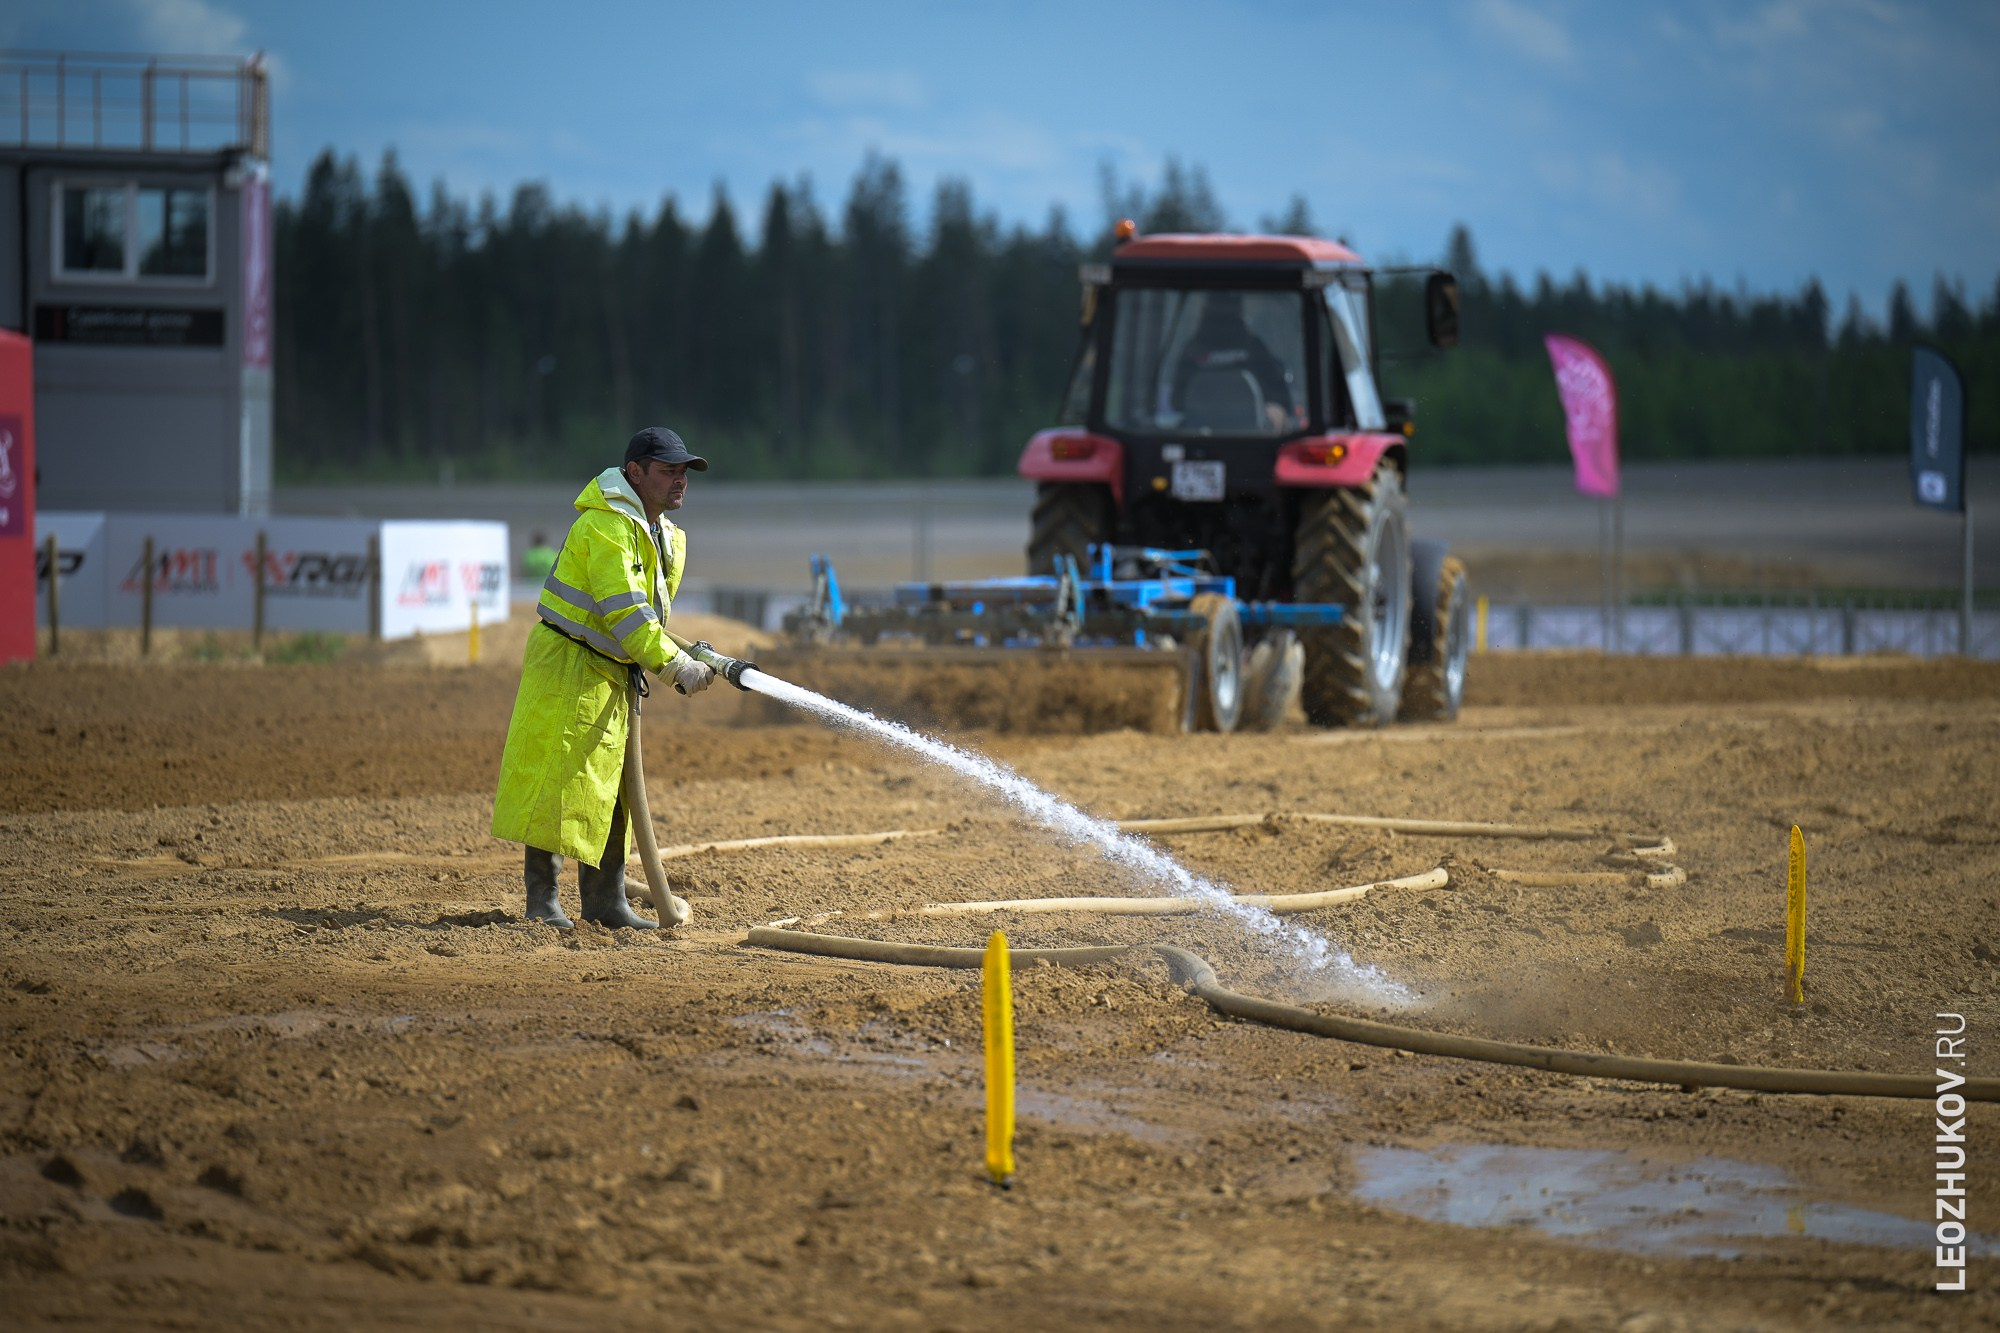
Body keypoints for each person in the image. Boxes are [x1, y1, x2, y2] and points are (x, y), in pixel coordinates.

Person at [491, 427, 734, 929]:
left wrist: (674, 652)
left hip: (610, 669)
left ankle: (606, 902)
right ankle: (543, 902)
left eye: (683, 472)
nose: (680, 481)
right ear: (635, 473)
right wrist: (674, 666)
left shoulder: (657, 533)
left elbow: (647, 616)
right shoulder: (605, 526)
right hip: (570, 666)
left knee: (614, 788)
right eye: (668, 471)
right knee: (560, 780)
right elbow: (625, 612)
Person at [1170, 291, 1301, 433]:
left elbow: (1281, 401)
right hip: (1200, 438)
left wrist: (1275, 412)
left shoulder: (1254, 348)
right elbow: (1178, 401)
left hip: (1253, 438)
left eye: (1228, 307)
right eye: (1218, 308)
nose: (1223, 315)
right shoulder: (1193, 351)